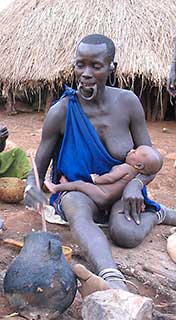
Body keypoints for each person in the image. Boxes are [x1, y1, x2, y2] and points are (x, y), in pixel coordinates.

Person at [24, 33, 176, 293]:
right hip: (78, 189)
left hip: (121, 191)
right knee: (77, 213)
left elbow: (149, 161)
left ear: (111, 68)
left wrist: (135, 185)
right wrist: (32, 188)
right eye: (80, 64)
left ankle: (158, 213)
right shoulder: (61, 112)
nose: (86, 73)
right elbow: (38, 167)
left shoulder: (128, 103)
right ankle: (113, 278)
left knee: (126, 235)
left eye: (96, 66)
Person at [45, 145, 163, 209]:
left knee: (80, 184)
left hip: (101, 194)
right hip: (109, 200)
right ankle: (65, 185)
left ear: (138, 165)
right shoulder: (135, 174)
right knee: (82, 187)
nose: (131, 150)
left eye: (134, 152)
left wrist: (96, 179)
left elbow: (110, 178)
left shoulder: (126, 168)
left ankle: (56, 187)